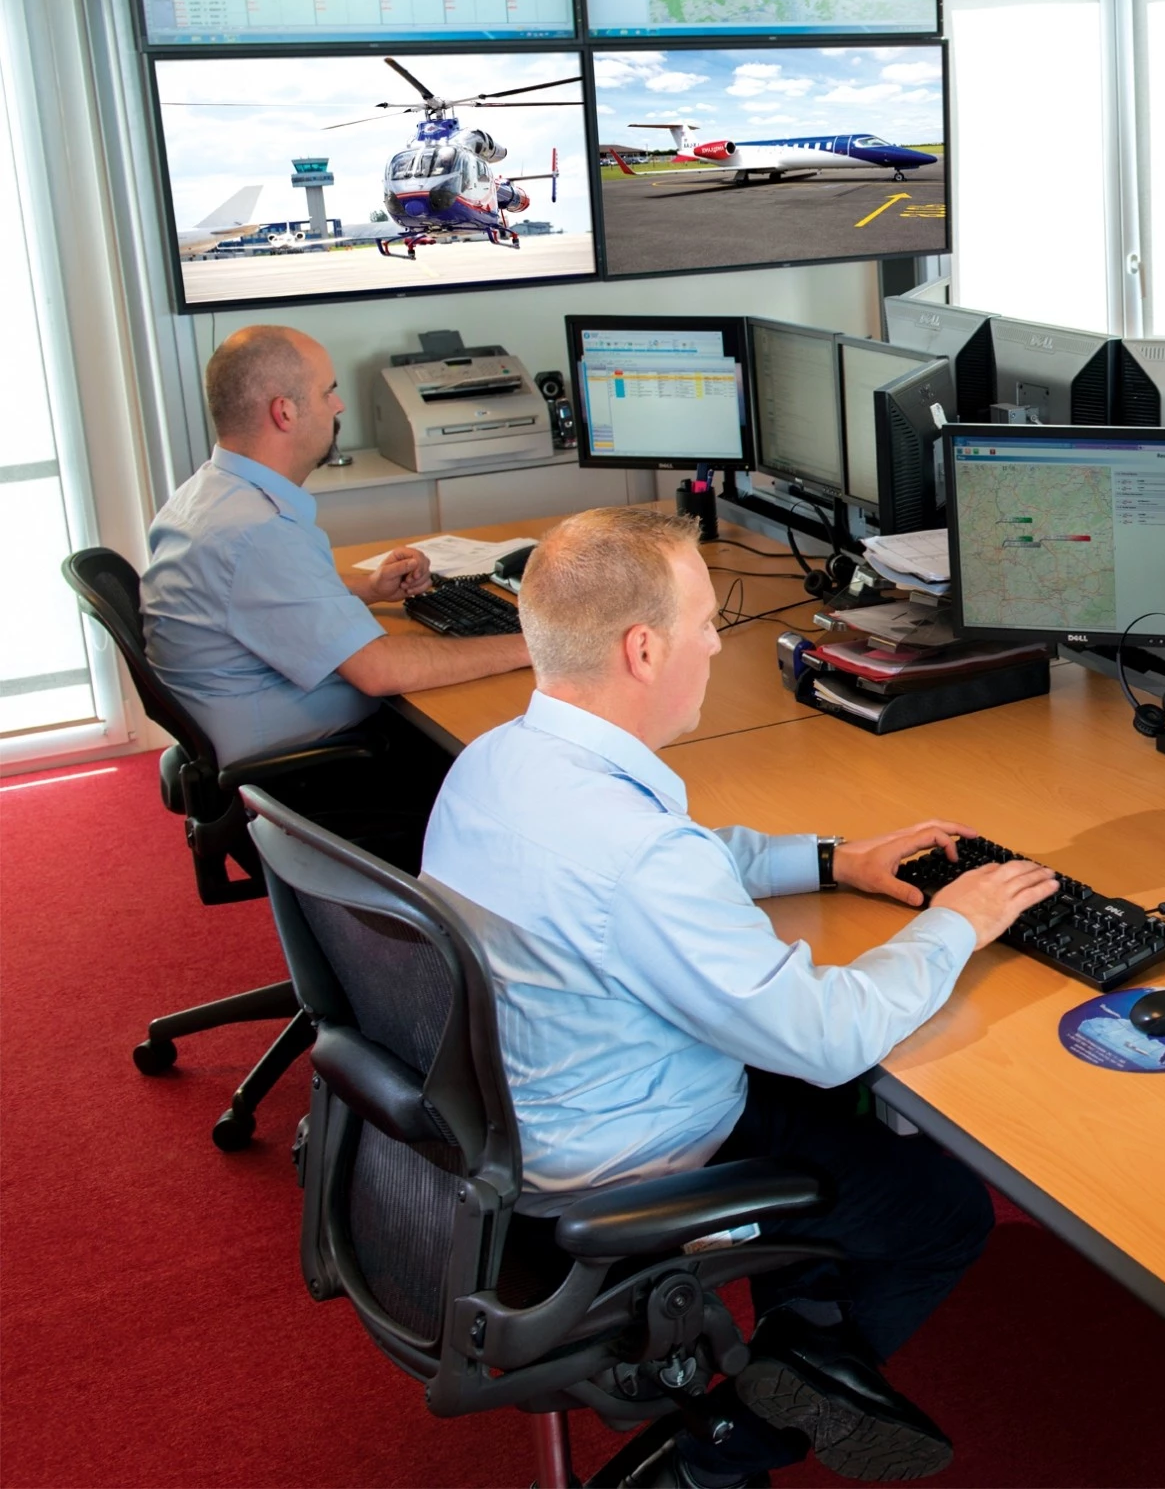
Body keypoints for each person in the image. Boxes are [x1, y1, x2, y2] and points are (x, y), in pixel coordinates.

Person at [421, 506, 1060, 1488]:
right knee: (938, 1204)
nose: (718, 641)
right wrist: (959, 923)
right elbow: (828, 1032)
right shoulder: (633, 855)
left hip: (526, 1121)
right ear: (642, 649)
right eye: (703, 619)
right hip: (626, 1165)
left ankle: (809, 1338)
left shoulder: (498, 764)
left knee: (844, 1126)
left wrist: (832, 859)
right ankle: (721, 1449)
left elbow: (683, 865)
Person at [143, 324, 530, 767]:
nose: (338, 405)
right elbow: (380, 671)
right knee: (490, 729)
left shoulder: (208, 492)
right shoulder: (256, 530)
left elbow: (256, 594)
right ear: (285, 413)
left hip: (236, 724)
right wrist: (532, 645)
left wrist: (369, 588)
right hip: (300, 759)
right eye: (327, 392)